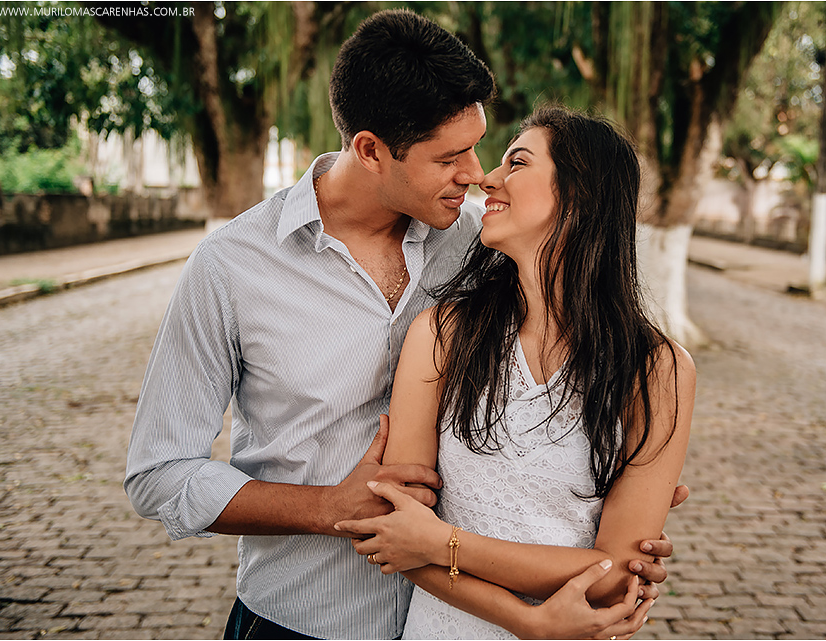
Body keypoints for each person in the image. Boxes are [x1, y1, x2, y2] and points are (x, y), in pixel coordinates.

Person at [124, 10, 683, 640]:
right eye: (450, 156)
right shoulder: (231, 266)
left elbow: (570, 370)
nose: (474, 173)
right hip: (304, 618)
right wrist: (327, 509)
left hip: (468, 617)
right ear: (369, 150)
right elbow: (159, 474)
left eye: (478, 146)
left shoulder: (483, 246)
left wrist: (612, 466)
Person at [334, 106, 696, 639]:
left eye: (517, 163)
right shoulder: (443, 334)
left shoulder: (656, 369)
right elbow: (398, 535)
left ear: (579, 195)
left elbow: (616, 575)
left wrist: (442, 543)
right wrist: (529, 620)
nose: (487, 178)